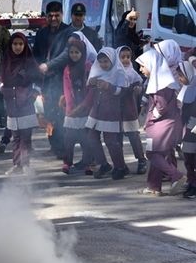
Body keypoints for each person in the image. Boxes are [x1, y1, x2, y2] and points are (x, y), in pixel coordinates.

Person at [135, 49, 187, 196]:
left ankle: (176, 175)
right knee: (159, 154)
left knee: (152, 154)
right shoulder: (162, 80)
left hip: (161, 126)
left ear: (151, 65)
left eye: (143, 66)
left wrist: (151, 120)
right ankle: (153, 186)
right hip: (166, 125)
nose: (141, 69)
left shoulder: (160, 84)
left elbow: (161, 107)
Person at [85, 48, 129, 180]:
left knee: (111, 140)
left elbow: (124, 92)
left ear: (113, 60)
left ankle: (120, 166)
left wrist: (109, 87)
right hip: (96, 109)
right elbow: (89, 85)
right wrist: (91, 83)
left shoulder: (119, 73)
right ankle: (103, 163)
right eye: (101, 62)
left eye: (106, 61)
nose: (103, 65)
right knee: (91, 136)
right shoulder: (97, 70)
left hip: (111, 110)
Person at [0, 32, 41, 175]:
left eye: (20, 44)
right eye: (15, 44)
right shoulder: (7, 60)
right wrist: (3, 89)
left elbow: (38, 80)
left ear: (25, 45)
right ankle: (17, 165)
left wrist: (33, 95)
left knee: (26, 136)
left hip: (26, 103)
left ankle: (26, 164)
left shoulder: (29, 61)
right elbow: (2, 78)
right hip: (11, 103)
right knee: (16, 137)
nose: (17, 47)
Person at [34, 1, 70, 159]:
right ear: (46, 16)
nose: (54, 18)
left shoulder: (69, 31)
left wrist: (48, 65)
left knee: (61, 113)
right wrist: (37, 69)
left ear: (62, 15)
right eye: (50, 15)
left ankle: (63, 147)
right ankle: (54, 145)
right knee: (48, 113)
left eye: (57, 15)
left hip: (63, 78)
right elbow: (35, 54)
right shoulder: (41, 33)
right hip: (46, 81)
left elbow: (68, 53)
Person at [60, 38, 93, 175]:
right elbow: (67, 89)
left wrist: (85, 105)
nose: (74, 55)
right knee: (69, 139)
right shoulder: (67, 69)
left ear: (83, 53)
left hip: (85, 109)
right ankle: (67, 162)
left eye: (77, 52)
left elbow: (91, 88)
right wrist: (70, 107)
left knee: (86, 140)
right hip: (71, 110)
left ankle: (87, 163)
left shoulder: (88, 67)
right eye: (72, 52)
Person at [117, 46, 148, 174]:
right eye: (122, 57)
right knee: (116, 138)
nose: (125, 60)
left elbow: (140, 85)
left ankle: (141, 160)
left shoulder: (133, 73)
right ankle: (120, 164)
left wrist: (138, 89)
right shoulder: (114, 72)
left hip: (129, 109)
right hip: (116, 110)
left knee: (133, 136)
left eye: (128, 57)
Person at [179, 56, 196, 199]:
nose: (179, 78)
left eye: (181, 75)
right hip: (188, 130)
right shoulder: (187, 90)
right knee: (188, 157)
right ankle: (191, 181)